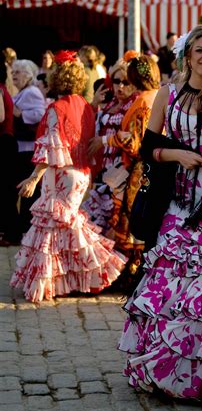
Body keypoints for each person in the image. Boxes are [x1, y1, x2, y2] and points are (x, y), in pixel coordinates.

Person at [119, 25, 202, 400]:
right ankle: (160, 370)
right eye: (200, 51)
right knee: (167, 287)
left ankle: (198, 378)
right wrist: (179, 155)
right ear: (188, 55)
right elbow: (148, 148)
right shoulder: (167, 95)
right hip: (173, 206)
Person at [10, 51, 126, 302]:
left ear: (55, 78)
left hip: (60, 172)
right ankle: (69, 279)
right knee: (67, 226)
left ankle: (65, 276)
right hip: (80, 173)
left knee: (52, 228)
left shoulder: (56, 108)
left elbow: (50, 148)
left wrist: (33, 178)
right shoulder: (85, 105)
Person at [88, 54, 161, 283]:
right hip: (149, 168)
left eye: (126, 79)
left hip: (139, 171)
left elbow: (136, 143)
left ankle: (133, 276)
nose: (121, 86)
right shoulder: (155, 97)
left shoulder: (143, 102)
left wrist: (110, 140)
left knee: (132, 222)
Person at [82, 57, 138, 234]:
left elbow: (133, 138)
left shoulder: (135, 104)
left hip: (122, 172)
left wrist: (106, 140)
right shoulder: (112, 102)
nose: (120, 86)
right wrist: (95, 104)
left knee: (115, 226)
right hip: (103, 170)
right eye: (116, 81)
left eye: (125, 82)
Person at [12, 59, 47, 235]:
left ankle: (26, 227)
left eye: (17, 72)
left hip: (28, 148)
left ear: (28, 75)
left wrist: (20, 114)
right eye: (12, 72)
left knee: (27, 190)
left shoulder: (31, 92)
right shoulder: (23, 92)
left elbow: (40, 114)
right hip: (23, 147)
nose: (13, 75)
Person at [0, 51, 18, 245]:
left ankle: (8, 232)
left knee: (4, 191)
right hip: (7, 142)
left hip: (4, 142)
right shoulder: (4, 87)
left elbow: (0, 117)